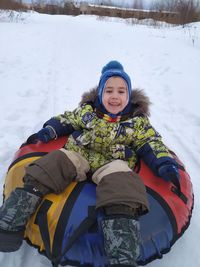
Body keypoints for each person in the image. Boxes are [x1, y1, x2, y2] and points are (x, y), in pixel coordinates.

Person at [0, 61, 180, 267]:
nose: (114, 96)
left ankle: (122, 255)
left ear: (129, 96)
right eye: (108, 90)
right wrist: (50, 130)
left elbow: (150, 142)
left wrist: (164, 163)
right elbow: (66, 120)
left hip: (114, 162)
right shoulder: (87, 112)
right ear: (100, 93)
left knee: (123, 184)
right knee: (53, 162)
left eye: (121, 91)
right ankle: (11, 221)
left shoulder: (137, 122)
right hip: (80, 154)